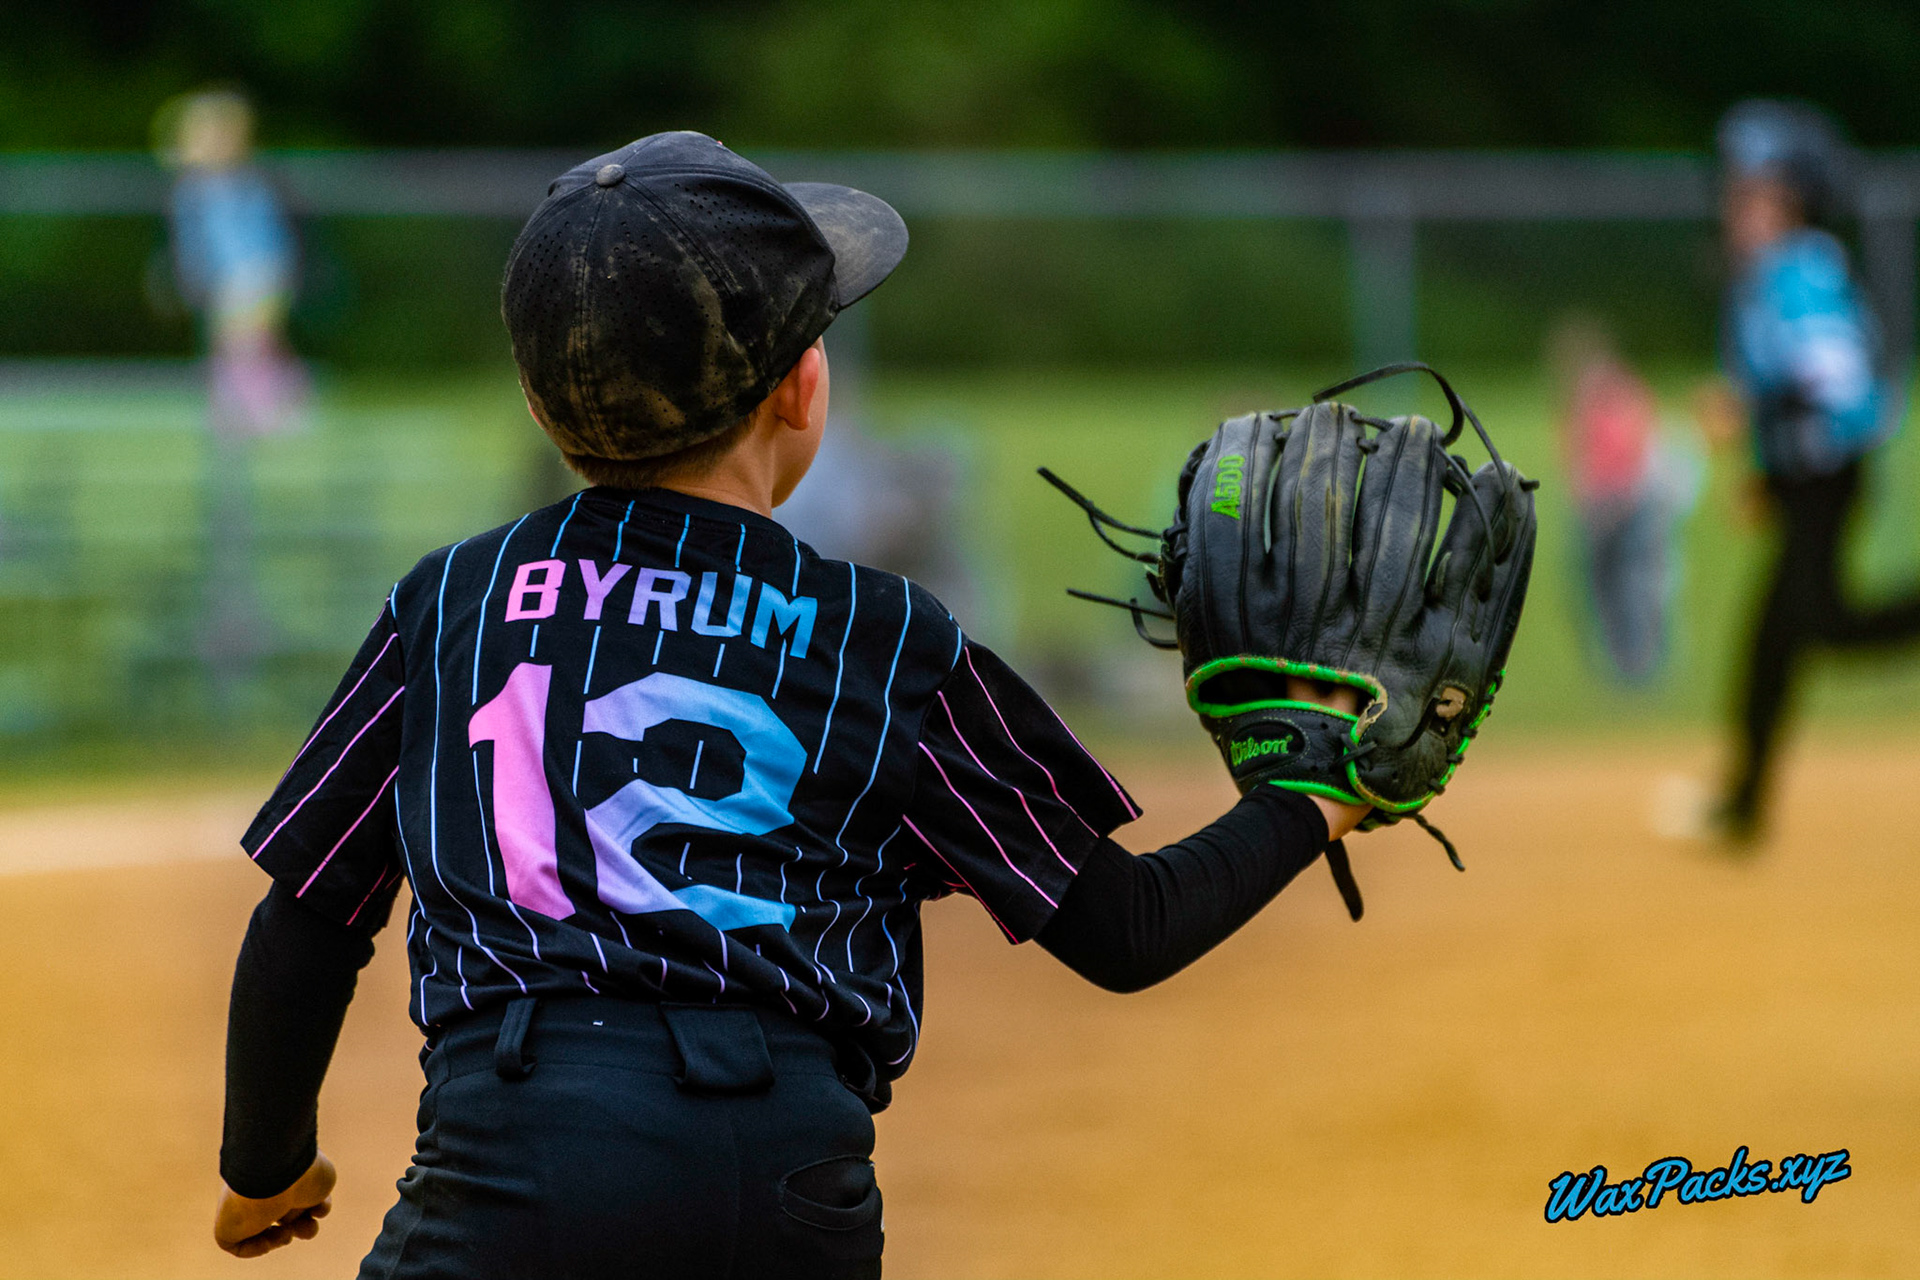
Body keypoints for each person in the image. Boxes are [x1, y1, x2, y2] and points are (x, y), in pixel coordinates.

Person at [209, 131, 1368, 1278]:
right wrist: (1313, 794)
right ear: (804, 387)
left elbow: (309, 914)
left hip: (514, 1157)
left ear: (535, 398)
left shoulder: (451, 604)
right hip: (784, 1184)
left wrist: (265, 1164)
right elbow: (1126, 927)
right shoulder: (884, 638)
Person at [1706, 99, 1920, 840]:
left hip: (1829, 481)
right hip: (1807, 483)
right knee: (1777, 639)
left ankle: (1742, 804)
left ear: (1792, 201)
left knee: (1812, 627)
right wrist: (1766, 473)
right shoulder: (1768, 274)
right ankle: (1741, 804)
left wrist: (1759, 413)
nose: (1737, 209)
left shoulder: (1802, 269)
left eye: (1754, 195)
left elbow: (1841, 382)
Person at [1549, 317, 1698, 682]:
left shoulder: (1617, 395)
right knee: (1605, 587)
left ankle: (1643, 665)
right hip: (1602, 503)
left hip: (1628, 501)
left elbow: (1632, 450)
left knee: (1637, 585)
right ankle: (1624, 665)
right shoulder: (1591, 399)